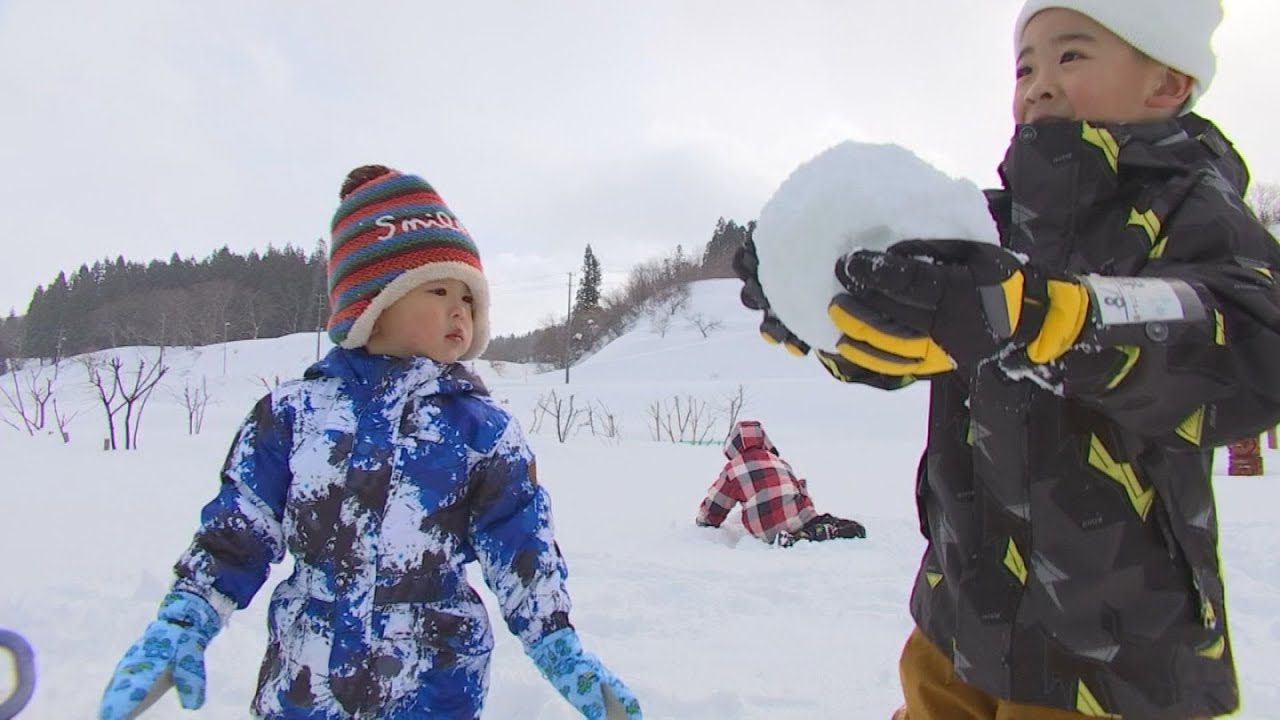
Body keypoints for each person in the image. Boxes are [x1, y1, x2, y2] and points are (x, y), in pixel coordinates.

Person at [735, 1, 1280, 718]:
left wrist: (1052, 315)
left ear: (1167, 84)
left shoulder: (1191, 209)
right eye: (1025, 65)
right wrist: (821, 313)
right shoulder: (987, 225)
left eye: (1071, 56)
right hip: (960, 618)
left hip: (1106, 656)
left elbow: (1244, 342)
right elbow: (915, 349)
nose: (1039, 83)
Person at [99, 165, 642, 720]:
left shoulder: (481, 430)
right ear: (373, 303)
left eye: (470, 299)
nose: (461, 310)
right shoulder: (293, 415)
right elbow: (238, 531)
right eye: (439, 289)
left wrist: (557, 646)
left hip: (433, 689)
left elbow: (522, 545)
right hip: (304, 689)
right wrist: (182, 626)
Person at [697, 420, 866, 547]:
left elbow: (714, 508)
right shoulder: (778, 461)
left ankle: (801, 536)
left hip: (766, 529)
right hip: (799, 517)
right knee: (826, 518)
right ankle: (826, 529)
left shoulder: (732, 470)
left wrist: (704, 520)